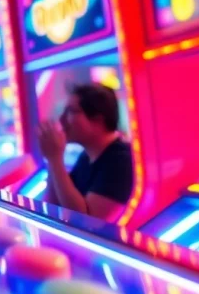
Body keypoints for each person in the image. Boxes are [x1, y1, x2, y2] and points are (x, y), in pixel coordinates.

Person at [38, 83, 134, 220]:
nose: (61, 119)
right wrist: (52, 158)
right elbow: (52, 206)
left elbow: (87, 221)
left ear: (98, 119)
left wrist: (55, 158)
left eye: (70, 111)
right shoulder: (86, 156)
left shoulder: (120, 160)